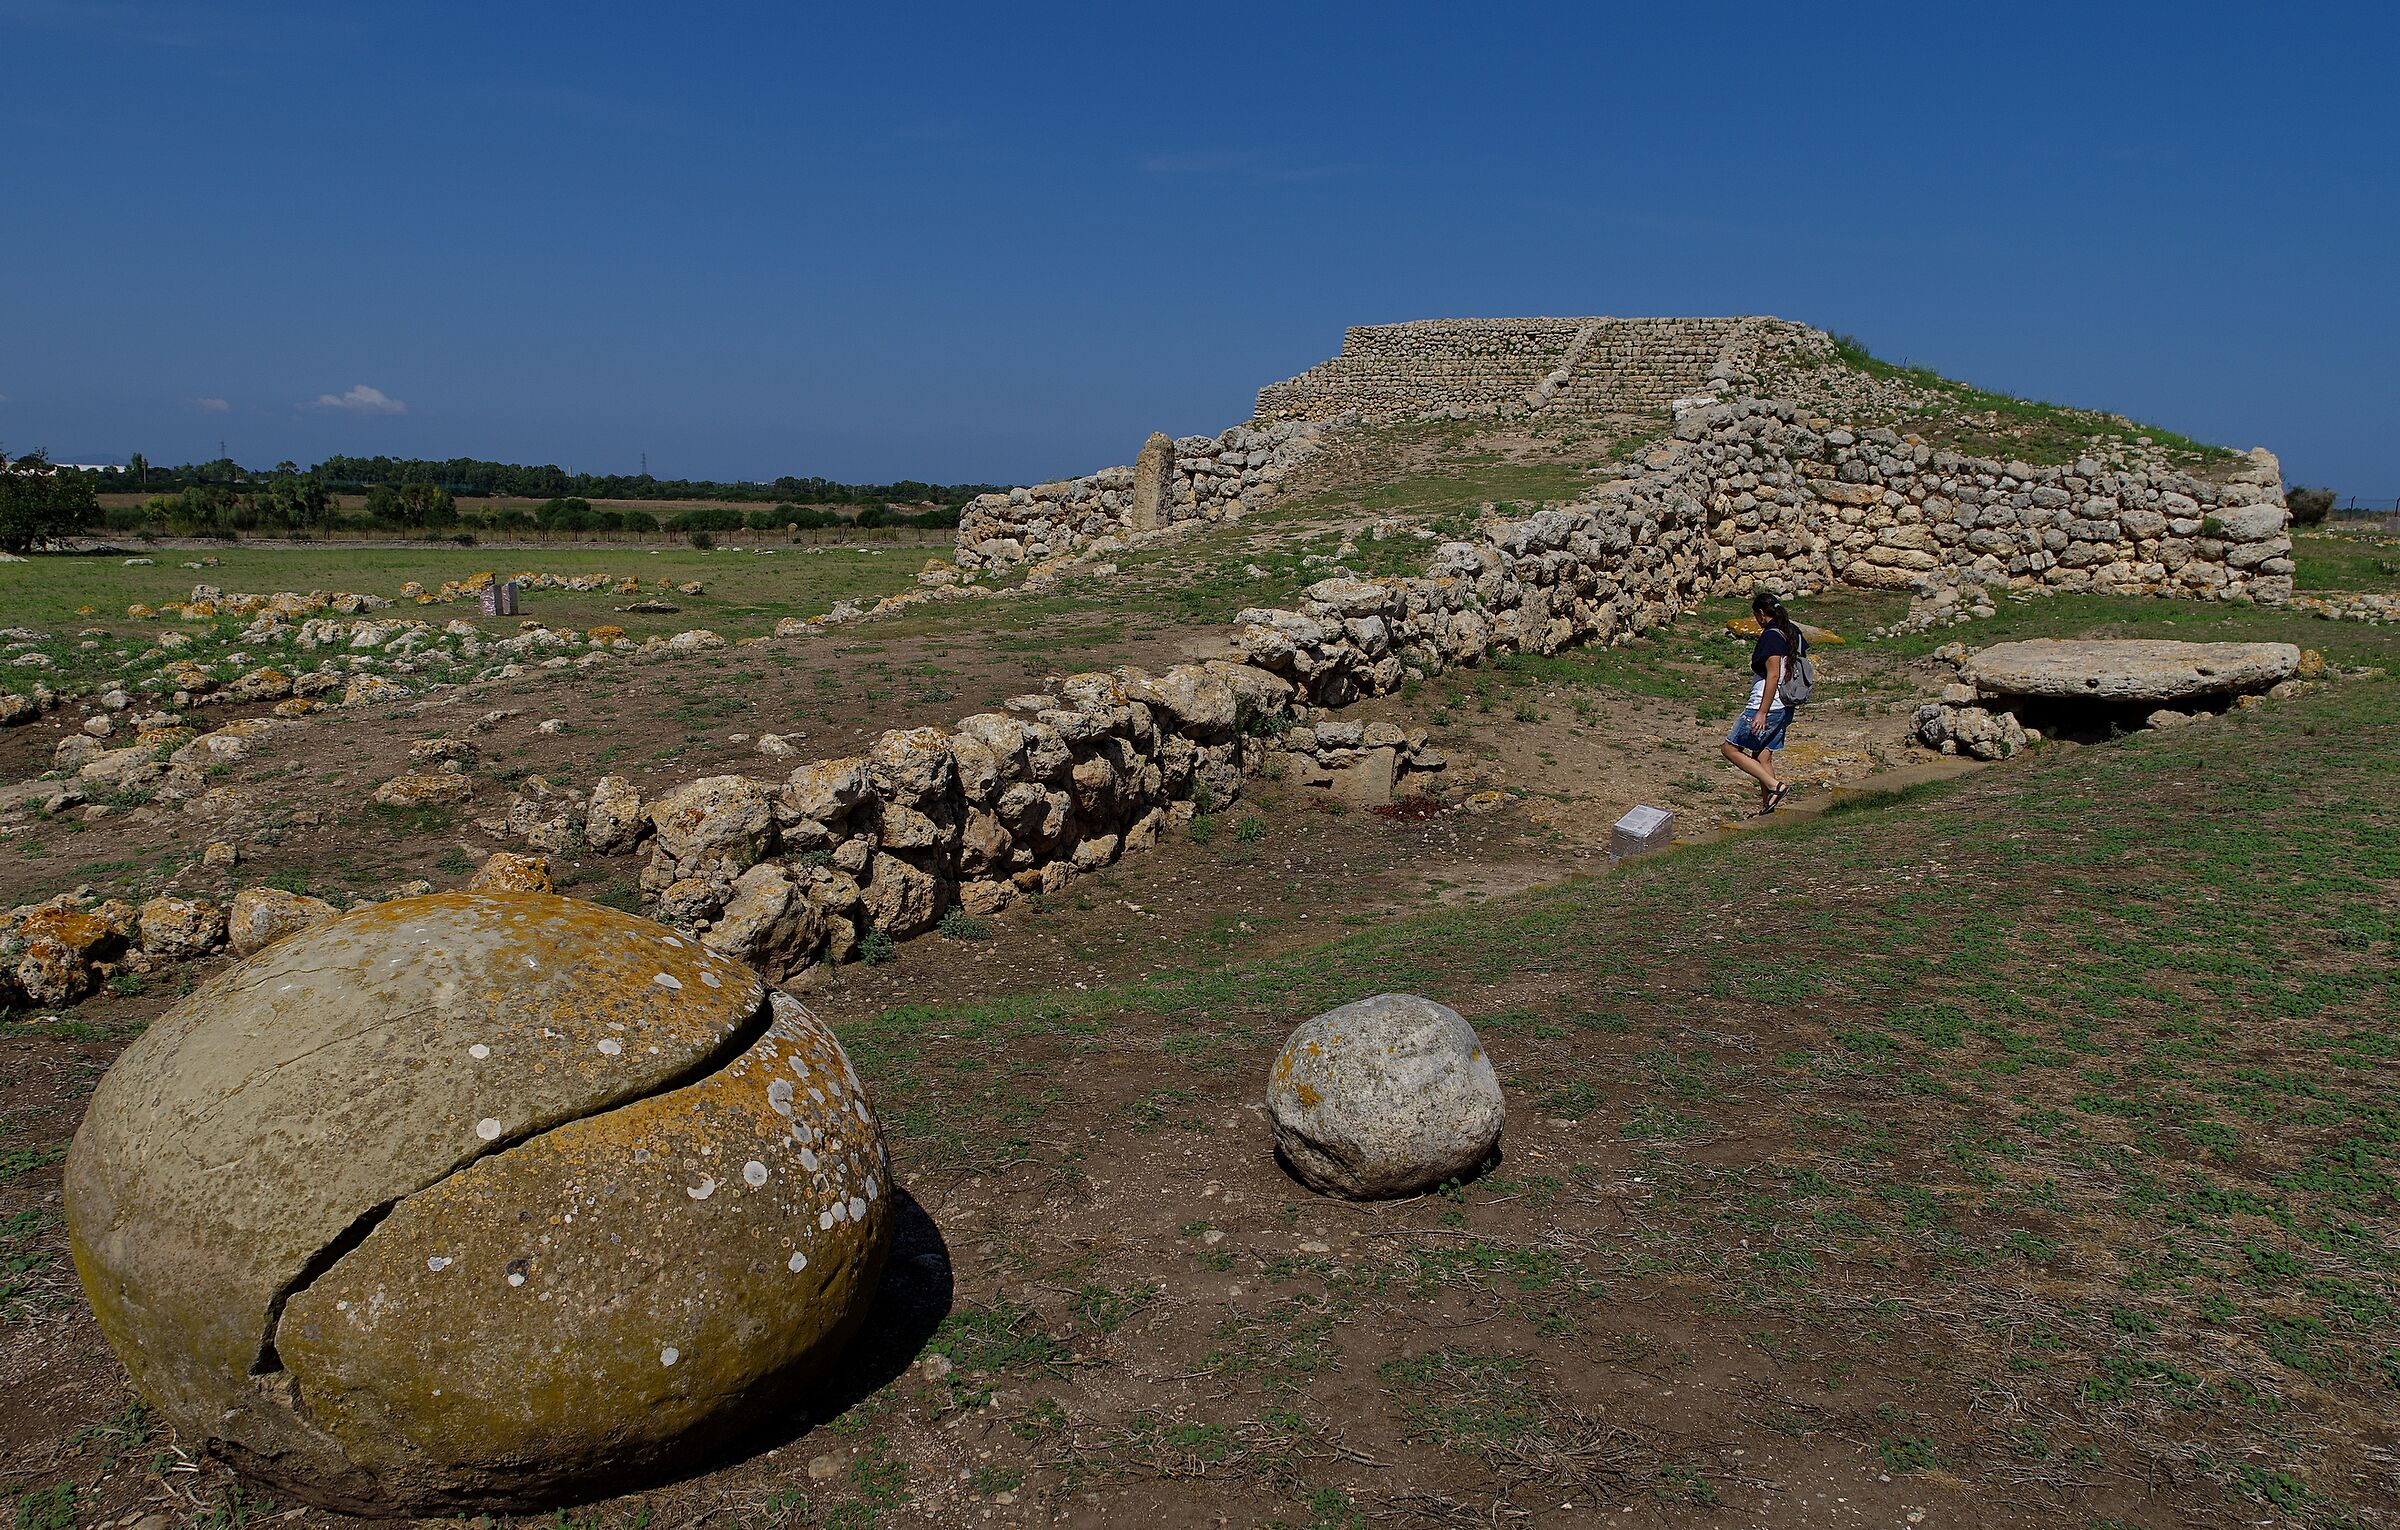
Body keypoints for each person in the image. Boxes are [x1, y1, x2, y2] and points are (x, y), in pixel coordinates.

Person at [1721, 589, 1805, 814]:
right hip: (1786, 705)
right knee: (1763, 754)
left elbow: (1774, 674)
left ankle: (1775, 785)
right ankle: (1769, 805)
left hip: (1767, 704)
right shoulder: (1793, 632)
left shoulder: (1771, 636)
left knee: (1729, 748)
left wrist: (1762, 712)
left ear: (1760, 613)